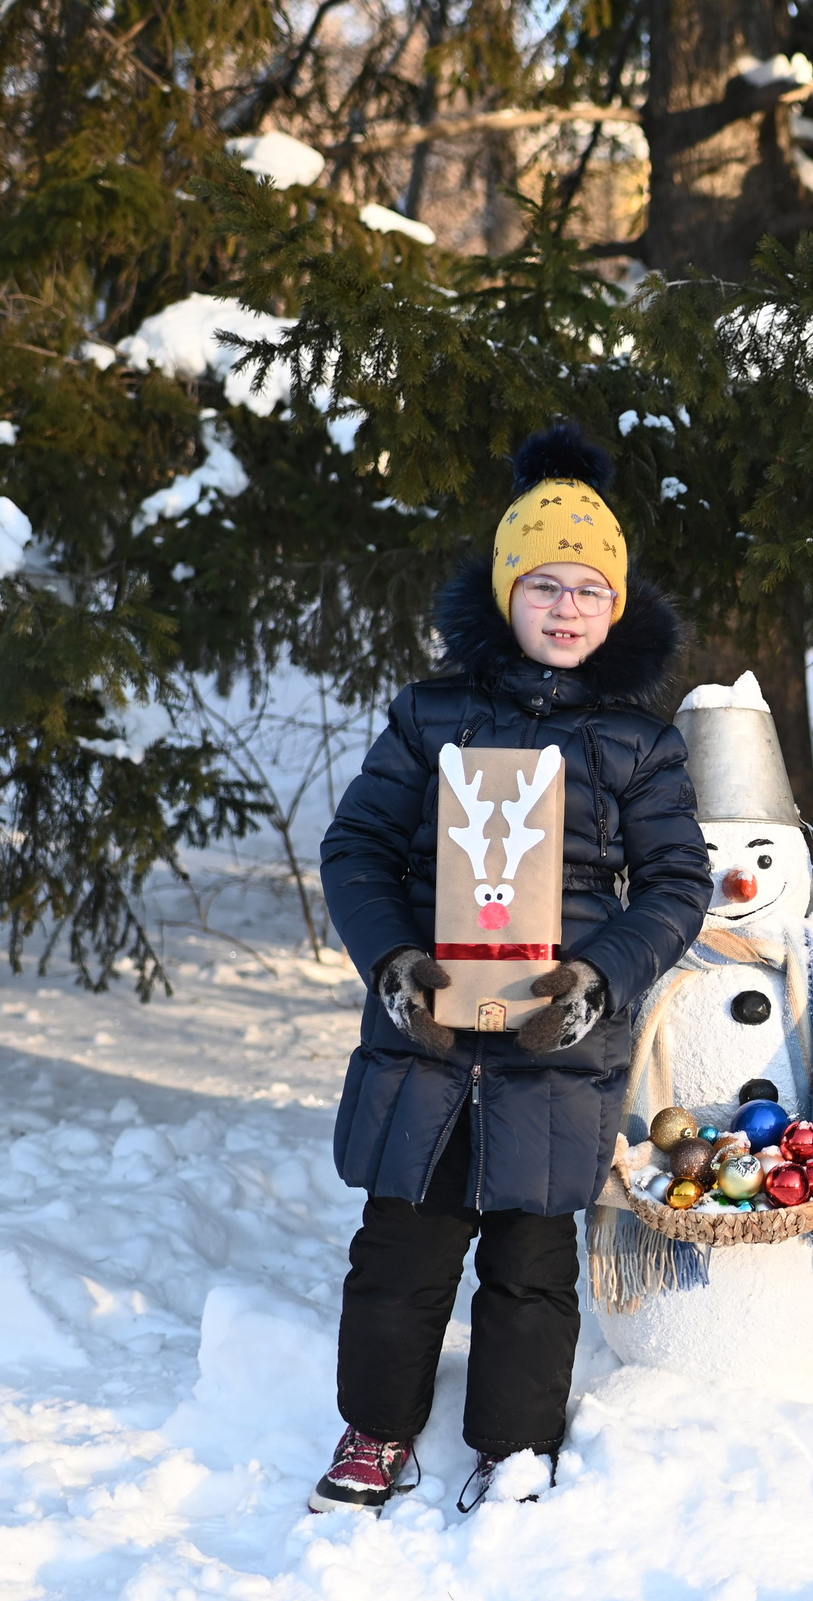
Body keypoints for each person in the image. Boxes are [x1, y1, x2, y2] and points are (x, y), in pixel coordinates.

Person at [311, 424, 713, 1514]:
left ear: (618, 606)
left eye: (590, 587)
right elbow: (355, 846)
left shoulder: (639, 741)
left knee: (533, 1263)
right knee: (401, 1246)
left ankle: (515, 1442)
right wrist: (394, 959)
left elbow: (680, 882)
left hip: (556, 1040)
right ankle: (375, 1428)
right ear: (505, 594)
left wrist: (599, 978)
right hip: (428, 1037)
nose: (568, 607)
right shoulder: (429, 715)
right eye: (545, 584)